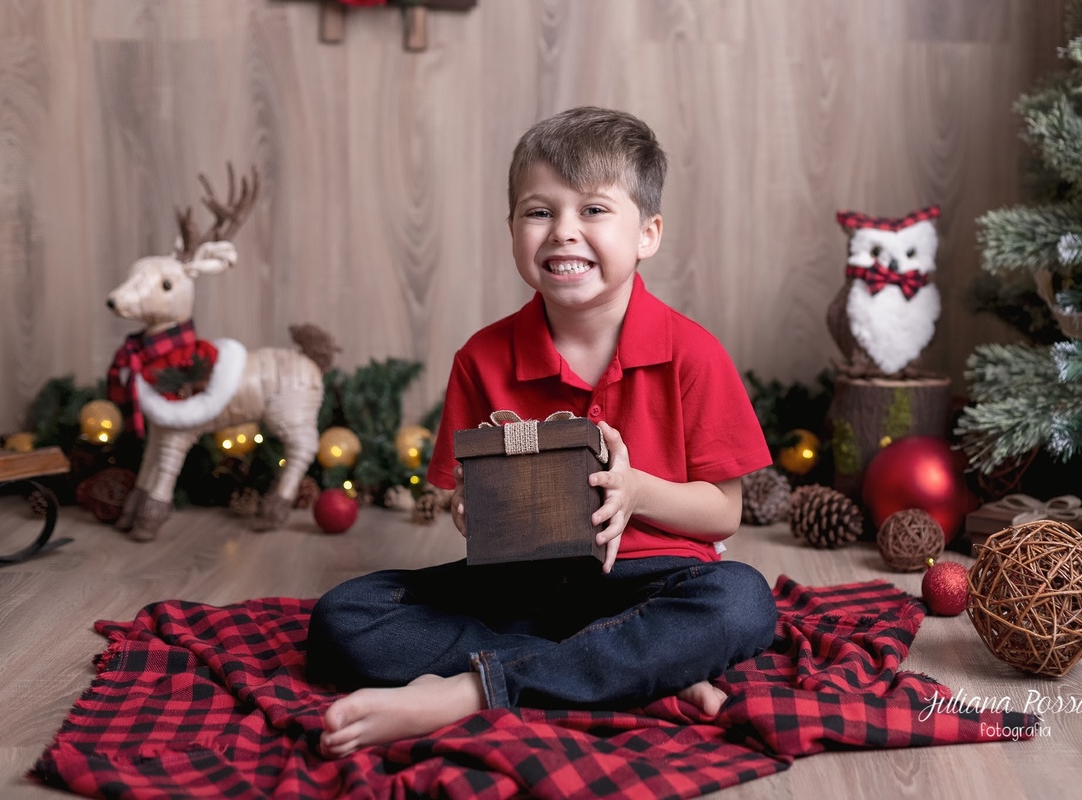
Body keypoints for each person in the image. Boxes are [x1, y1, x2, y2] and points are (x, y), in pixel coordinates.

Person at [307, 106, 777, 758]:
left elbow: (723, 513)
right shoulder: (483, 357)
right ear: (511, 231)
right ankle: (628, 675)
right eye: (539, 212)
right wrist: (470, 508)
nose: (563, 232)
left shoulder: (692, 354)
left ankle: (474, 691)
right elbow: (460, 500)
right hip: (519, 590)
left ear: (648, 233)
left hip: (653, 582)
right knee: (345, 617)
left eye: (592, 211)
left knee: (741, 602)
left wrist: (636, 491)